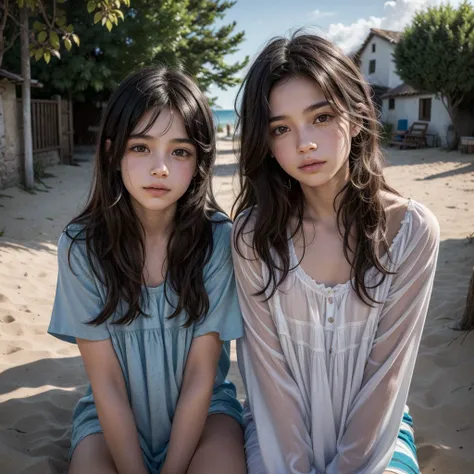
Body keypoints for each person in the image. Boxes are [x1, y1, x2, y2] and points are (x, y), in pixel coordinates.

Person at [231, 33, 440, 474]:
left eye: (321, 117)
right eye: (281, 128)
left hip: (376, 435)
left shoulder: (410, 231)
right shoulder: (253, 236)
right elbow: (268, 374)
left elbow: (386, 374)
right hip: (275, 433)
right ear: (266, 143)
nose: (304, 142)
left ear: (357, 116)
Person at [48, 66, 246, 474]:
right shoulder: (80, 246)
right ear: (111, 151)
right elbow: (105, 382)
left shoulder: (216, 240)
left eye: (180, 151)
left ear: (198, 162)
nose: (161, 168)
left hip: (206, 414)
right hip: (111, 420)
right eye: (140, 147)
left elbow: (200, 373)